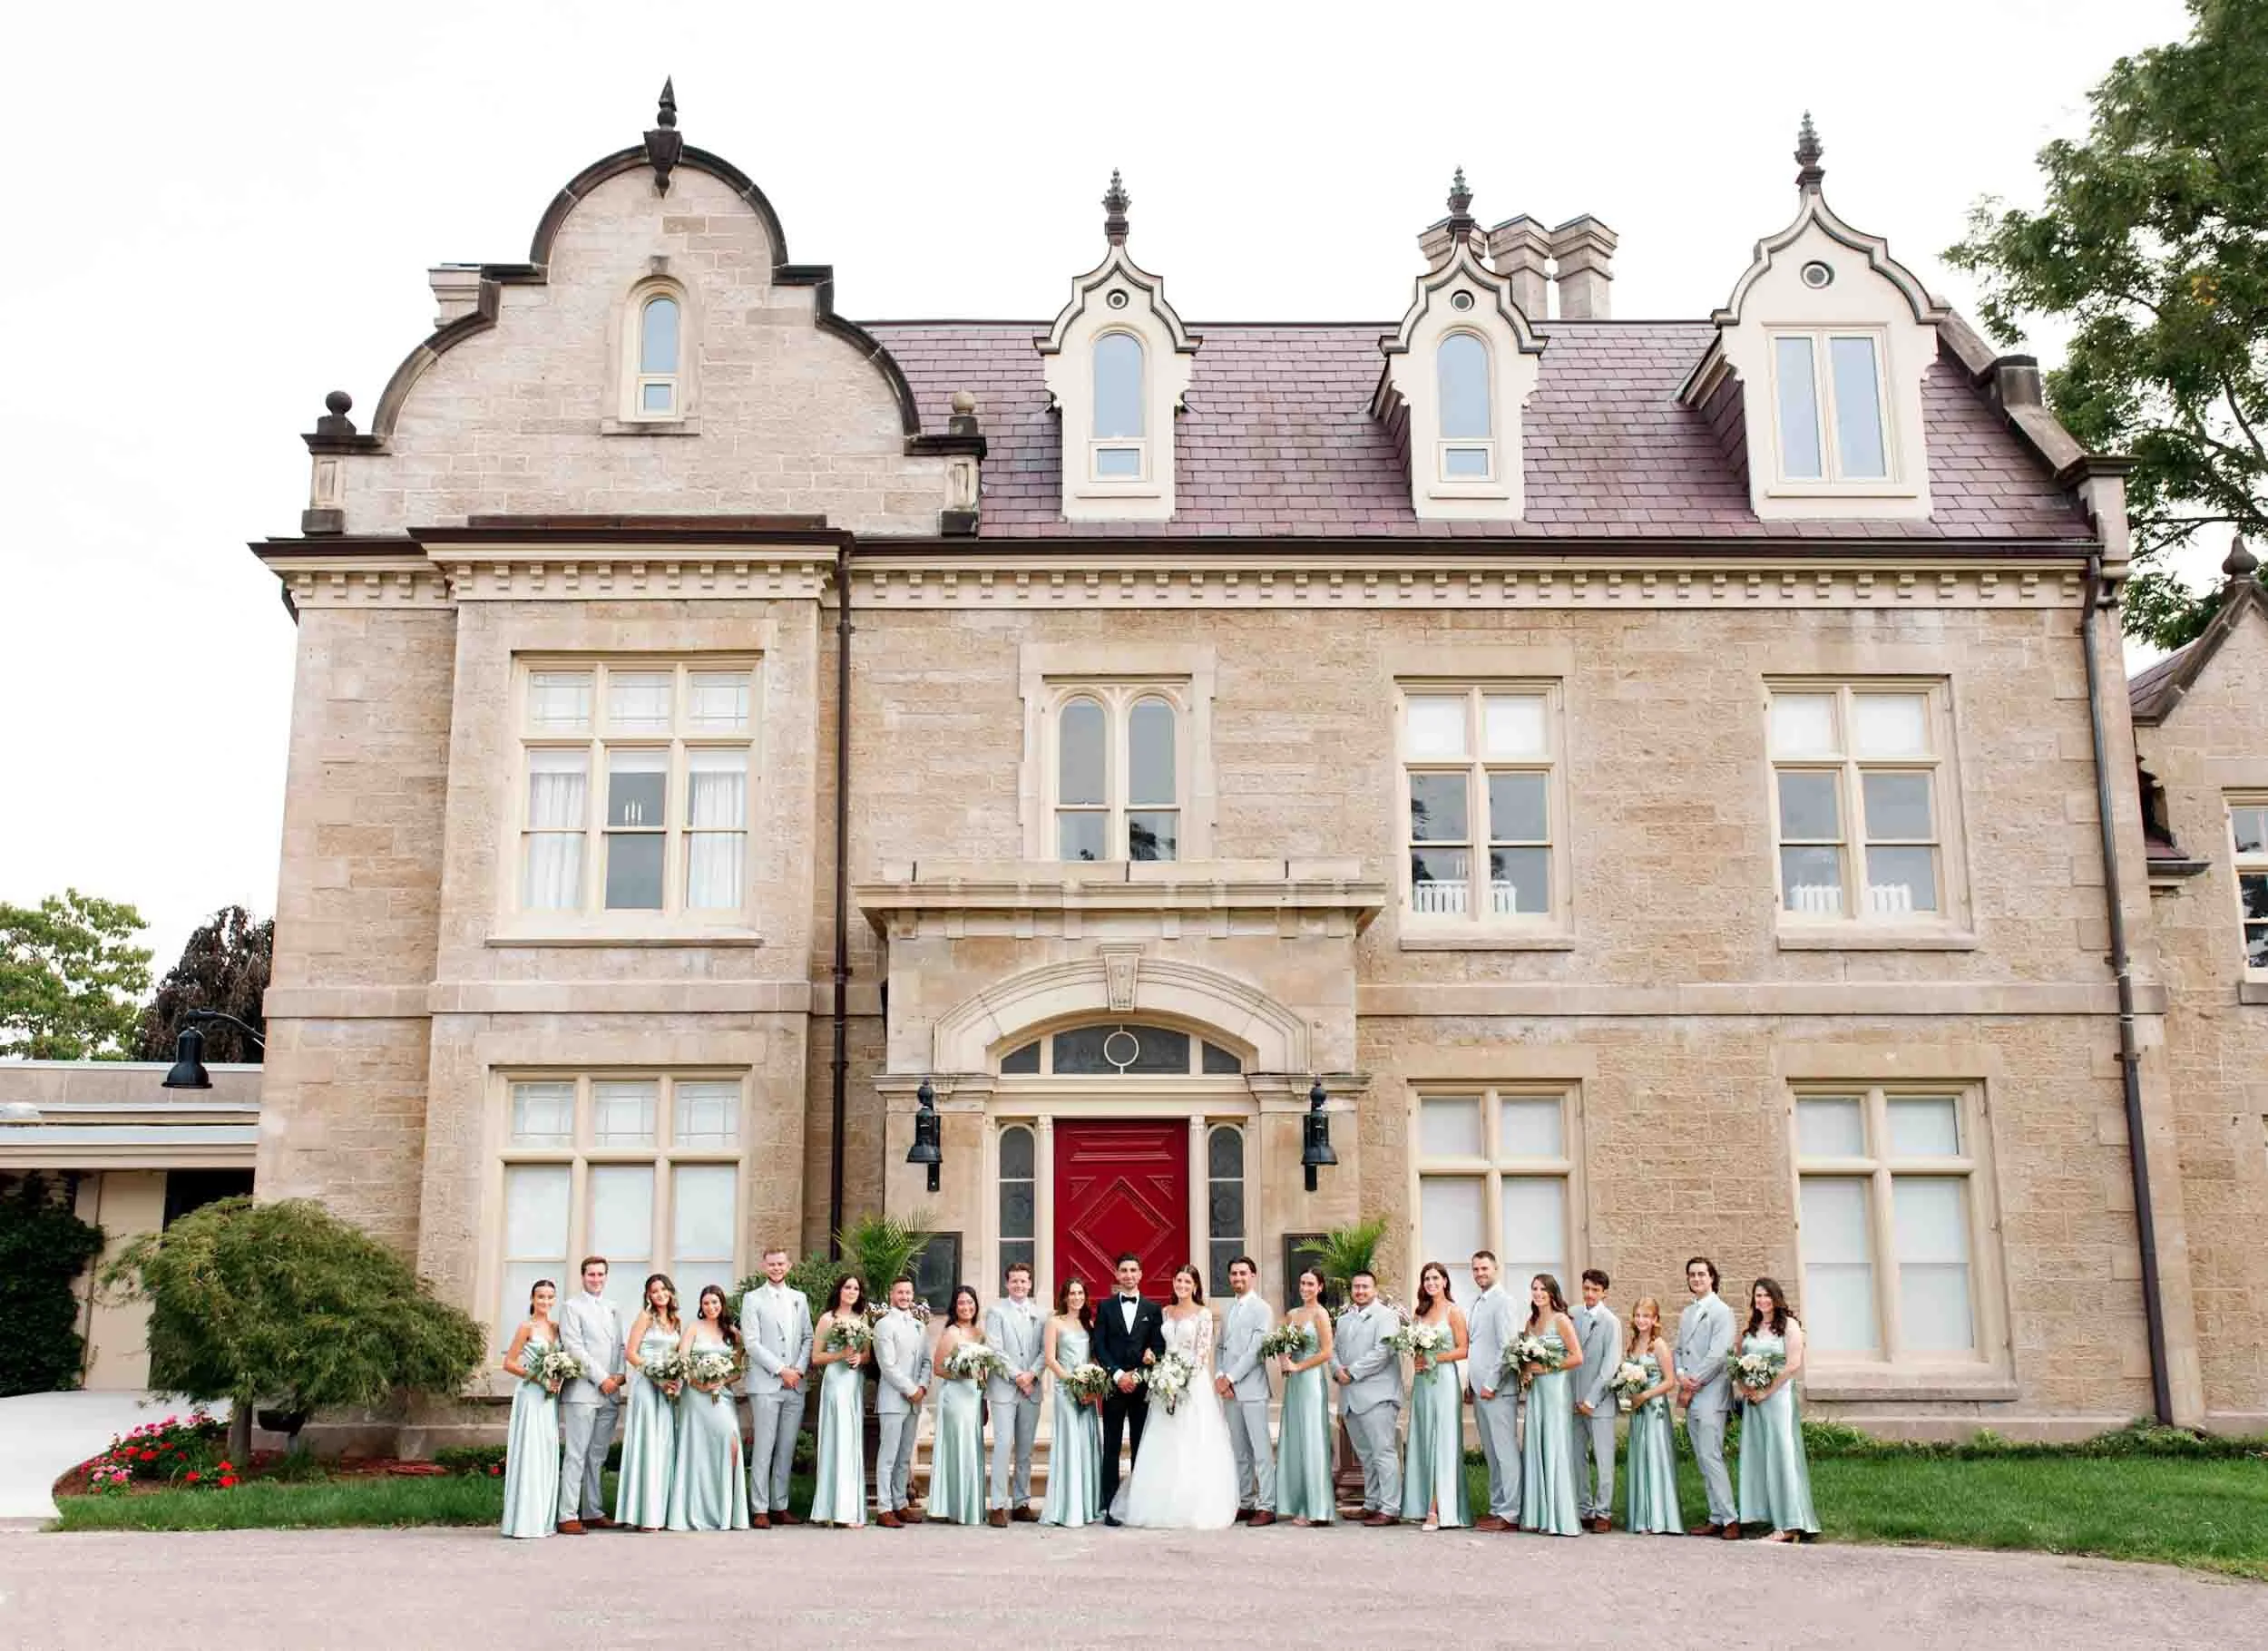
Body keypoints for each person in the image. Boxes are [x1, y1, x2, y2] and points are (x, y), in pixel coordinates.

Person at [1110, 1263, 1239, 1529]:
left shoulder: (1203, 1314)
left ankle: (1191, 1504)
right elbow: (1158, 1347)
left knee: (1191, 1440)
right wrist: (1153, 1360)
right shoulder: (1165, 1313)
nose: (1182, 1286)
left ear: (1195, 1286)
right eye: (1178, 1281)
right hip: (1164, 1380)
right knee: (1163, 1440)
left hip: (1192, 1382)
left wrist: (1180, 1379)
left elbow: (1203, 1352)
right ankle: (1157, 1503)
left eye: (1187, 1282)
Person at [1735, 1277, 1821, 1543]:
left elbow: (1793, 1364)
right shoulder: (1751, 1328)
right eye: (1758, 1296)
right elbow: (1736, 1360)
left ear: (1776, 1297)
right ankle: (1768, 1515)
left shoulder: (1789, 1326)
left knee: (1781, 1454)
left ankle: (1790, 1523)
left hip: (1777, 1398)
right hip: (1754, 1401)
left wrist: (1766, 1391)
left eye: (1766, 1296)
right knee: (1759, 1454)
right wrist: (1745, 1386)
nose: (1762, 1300)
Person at [738, 1246, 813, 1530]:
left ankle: (779, 1505)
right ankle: (759, 1507)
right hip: (767, 1383)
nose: (777, 1268)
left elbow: (807, 1336)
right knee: (765, 1447)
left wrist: (798, 1370)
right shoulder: (752, 1299)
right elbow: (752, 1343)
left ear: (789, 1266)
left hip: (795, 1383)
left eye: (781, 1263)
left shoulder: (799, 1299)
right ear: (764, 1267)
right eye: (772, 1264)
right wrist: (781, 1370)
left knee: (786, 1447)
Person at [1090, 1251, 1166, 1525]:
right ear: (1117, 1274)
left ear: (1141, 1274)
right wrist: (1118, 1374)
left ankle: (1137, 1503)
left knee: (1139, 1447)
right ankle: (1110, 1506)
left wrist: (1139, 1375)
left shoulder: (1153, 1310)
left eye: (1133, 1270)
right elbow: (1099, 1345)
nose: (1129, 1275)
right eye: (1124, 1270)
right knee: (1111, 1446)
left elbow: (1158, 1347)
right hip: (1114, 1387)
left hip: (1141, 1388)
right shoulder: (1106, 1307)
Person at [668, 1284, 750, 1532]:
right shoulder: (693, 1328)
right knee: (697, 1450)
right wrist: (696, 1381)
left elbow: (737, 1371)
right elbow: (682, 1359)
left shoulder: (733, 1334)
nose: (711, 1307)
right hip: (695, 1397)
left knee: (731, 1441)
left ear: (722, 1304)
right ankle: (695, 1510)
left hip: (721, 1395)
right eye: (706, 1303)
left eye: (715, 1302)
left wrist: (721, 1380)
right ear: (701, 1306)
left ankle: (727, 1510)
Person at [554, 1255, 624, 1535]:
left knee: (597, 1455)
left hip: (610, 1392)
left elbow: (619, 1345)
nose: (596, 1279)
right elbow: (574, 1347)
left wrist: (618, 1377)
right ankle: (567, 1514)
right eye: (591, 1274)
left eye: (600, 1274)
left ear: (606, 1277)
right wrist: (601, 1378)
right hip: (584, 1390)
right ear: (583, 1277)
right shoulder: (571, 1307)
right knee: (577, 1454)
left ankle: (592, 1510)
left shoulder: (613, 1308)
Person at [1401, 1261, 1471, 1530]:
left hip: (1443, 1381)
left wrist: (1435, 1359)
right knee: (1422, 1438)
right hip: (1422, 1383)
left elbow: (1464, 1349)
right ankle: (1420, 1503)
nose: (1431, 1283)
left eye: (1435, 1278)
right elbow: (1415, 1349)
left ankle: (1436, 1508)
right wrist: (1417, 1357)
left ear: (1445, 1281)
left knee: (1442, 1441)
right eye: (1426, 1279)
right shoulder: (1420, 1313)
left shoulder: (1454, 1312)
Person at [1332, 1269, 1403, 1527]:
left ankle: (1390, 1508)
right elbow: (1333, 1350)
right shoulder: (1344, 1319)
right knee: (1366, 1455)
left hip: (1378, 1395)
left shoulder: (1387, 1317)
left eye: (1365, 1287)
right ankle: (1372, 1503)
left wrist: (1352, 1372)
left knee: (1383, 1452)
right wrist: (1336, 1370)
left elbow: (1383, 1352)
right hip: (1351, 1397)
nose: (1360, 1291)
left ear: (1374, 1289)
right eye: (1356, 1287)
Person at [1675, 1255, 1738, 1539]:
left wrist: (1693, 1382)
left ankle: (1731, 1519)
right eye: (1692, 1275)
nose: (1697, 1279)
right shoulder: (1688, 1313)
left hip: (1711, 1393)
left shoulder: (1722, 1311)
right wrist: (1679, 1374)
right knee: (1701, 1458)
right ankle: (1715, 1516)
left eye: (1702, 1274)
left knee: (1712, 1455)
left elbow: (1718, 1355)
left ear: (1712, 1277)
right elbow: (1678, 1349)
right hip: (1691, 1391)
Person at [1518, 1272, 1585, 1537]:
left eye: (1543, 1289)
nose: (1538, 1293)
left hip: (1555, 1390)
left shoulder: (1561, 1320)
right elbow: (1524, 1357)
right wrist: (1524, 1371)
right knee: (1537, 1444)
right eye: (1534, 1288)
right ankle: (1539, 1514)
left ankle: (1560, 1516)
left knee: (1555, 1445)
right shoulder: (1531, 1322)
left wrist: (1546, 1367)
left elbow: (1577, 1357)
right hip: (1536, 1392)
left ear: (1552, 1293)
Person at [615, 1272, 683, 1530]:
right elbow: (631, 1353)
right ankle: (643, 1514)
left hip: (667, 1389)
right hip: (647, 1385)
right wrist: (656, 1377)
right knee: (648, 1444)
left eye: (663, 1290)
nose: (660, 1295)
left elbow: (678, 1354)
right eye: (654, 1292)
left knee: (664, 1444)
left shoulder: (676, 1321)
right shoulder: (645, 1317)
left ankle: (661, 1512)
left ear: (670, 1292)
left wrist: (675, 1378)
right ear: (648, 1295)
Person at [1272, 1265, 1336, 1525]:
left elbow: (1326, 1352)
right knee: (1295, 1438)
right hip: (1294, 1383)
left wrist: (1299, 1366)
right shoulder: (1291, 1314)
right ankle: (1296, 1502)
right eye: (1303, 1283)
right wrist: (1284, 1360)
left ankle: (1317, 1508)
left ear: (1320, 1288)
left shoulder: (1321, 1315)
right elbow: (1281, 1343)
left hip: (1310, 1381)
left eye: (1311, 1284)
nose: (1306, 1288)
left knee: (1312, 1439)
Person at [499, 1278, 562, 1539]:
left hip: (550, 1398)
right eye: (541, 1297)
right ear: (532, 1299)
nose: (545, 1302)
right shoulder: (527, 1327)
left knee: (546, 1452)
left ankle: (542, 1518)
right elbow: (509, 1363)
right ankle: (523, 1521)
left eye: (549, 1297)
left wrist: (559, 1377)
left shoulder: (557, 1328)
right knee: (530, 1451)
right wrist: (538, 1377)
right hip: (531, 1395)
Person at [1216, 1255, 1276, 1526]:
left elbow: (1256, 1351)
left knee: (1261, 1450)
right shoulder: (1228, 1308)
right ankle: (1246, 1500)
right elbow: (1221, 1346)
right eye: (1234, 1274)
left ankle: (1267, 1505)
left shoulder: (1262, 1309)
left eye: (1243, 1273)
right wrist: (1219, 1375)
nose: (1238, 1278)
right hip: (1229, 1391)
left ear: (1254, 1276)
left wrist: (1230, 1377)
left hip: (1252, 1389)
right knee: (1239, 1450)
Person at [984, 1261, 1046, 1526]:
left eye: (1024, 1281)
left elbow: (1047, 1351)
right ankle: (998, 1504)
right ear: (1006, 1283)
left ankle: (1022, 1501)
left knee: (1025, 1449)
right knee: (1002, 1446)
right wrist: (1018, 1376)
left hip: (1031, 1388)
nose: (1019, 1285)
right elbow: (995, 1350)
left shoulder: (1042, 1315)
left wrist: (1031, 1375)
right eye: (1014, 1281)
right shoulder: (996, 1313)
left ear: (1030, 1284)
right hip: (1004, 1388)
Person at [1463, 1249, 1520, 1532]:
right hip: (1480, 1390)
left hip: (1497, 1391)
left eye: (1484, 1269)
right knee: (1492, 1453)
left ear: (1496, 1269)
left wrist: (1490, 1383)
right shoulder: (1478, 1302)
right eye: (1475, 1269)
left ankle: (1511, 1512)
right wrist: (1470, 1385)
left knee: (1505, 1451)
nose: (1479, 1274)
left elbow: (1507, 1347)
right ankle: (1497, 1506)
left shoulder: (1504, 1302)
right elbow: (1478, 1346)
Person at [1041, 1276, 1103, 1527]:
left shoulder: (1088, 1323)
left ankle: (1087, 1506)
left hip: (1086, 1391)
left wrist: (1092, 1386)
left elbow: (1094, 1357)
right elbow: (1050, 1359)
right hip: (1066, 1389)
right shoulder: (1054, 1322)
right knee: (1069, 1444)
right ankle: (1067, 1507)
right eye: (1072, 1293)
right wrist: (1073, 1383)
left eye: (1080, 1293)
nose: (1076, 1297)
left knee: (1086, 1444)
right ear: (1064, 1297)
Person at [807, 1274, 868, 1529]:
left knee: (851, 1440)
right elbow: (816, 1357)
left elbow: (867, 1353)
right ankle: (830, 1508)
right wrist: (841, 1354)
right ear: (839, 1290)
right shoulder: (827, 1319)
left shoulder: (862, 1319)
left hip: (853, 1381)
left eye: (856, 1287)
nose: (851, 1291)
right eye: (847, 1287)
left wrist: (859, 1359)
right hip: (835, 1381)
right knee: (836, 1439)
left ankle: (849, 1509)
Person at [931, 1285, 992, 1525]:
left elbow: (985, 1369)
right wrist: (963, 1372)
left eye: (970, 1302)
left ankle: (971, 1507)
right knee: (958, 1448)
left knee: (972, 1449)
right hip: (956, 1398)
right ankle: (956, 1507)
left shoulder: (979, 1333)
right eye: (961, 1303)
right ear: (954, 1307)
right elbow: (938, 1368)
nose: (966, 1307)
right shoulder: (951, 1333)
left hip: (975, 1398)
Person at [1621, 1295, 1684, 1535]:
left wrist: (1645, 1396)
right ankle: (1642, 1518)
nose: (1641, 1320)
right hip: (1638, 1410)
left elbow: (1670, 1381)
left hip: (1654, 1409)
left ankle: (1660, 1518)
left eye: (1646, 1316)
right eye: (1638, 1315)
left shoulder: (1658, 1345)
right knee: (1640, 1457)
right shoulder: (1633, 1343)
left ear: (1655, 1318)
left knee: (1655, 1457)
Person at [872, 1275, 929, 1529]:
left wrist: (923, 1386)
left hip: (915, 1399)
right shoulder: (884, 1325)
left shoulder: (919, 1326)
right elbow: (887, 1364)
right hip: (894, 1399)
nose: (904, 1297)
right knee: (888, 1455)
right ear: (891, 1295)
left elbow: (927, 1360)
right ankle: (883, 1508)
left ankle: (900, 1503)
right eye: (900, 1293)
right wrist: (910, 1389)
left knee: (904, 1456)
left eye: (908, 1292)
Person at [1570, 1267, 1622, 1533]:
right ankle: (1584, 1508)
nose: (1589, 1294)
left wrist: (1591, 1399)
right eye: (1586, 1288)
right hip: (1574, 1402)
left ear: (1604, 1293)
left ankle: (1603, 1512)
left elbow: (1610, 1365)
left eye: (1595, 1290)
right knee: (1576, 1458)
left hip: (1599, 1403)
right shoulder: (1573, 1314)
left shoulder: (1611, 1322)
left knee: (1603, 1460)